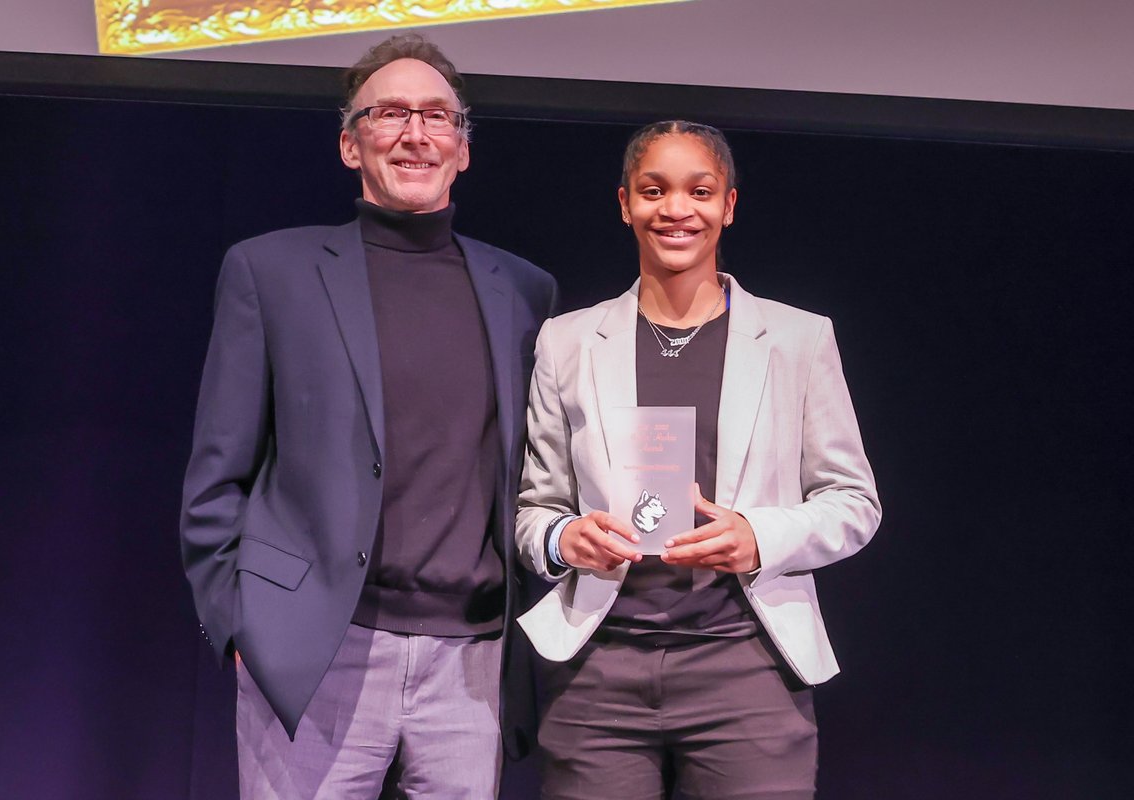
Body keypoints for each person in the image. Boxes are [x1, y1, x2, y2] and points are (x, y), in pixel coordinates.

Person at [180, 34, 557, 799]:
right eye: (390, 114)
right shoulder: (270, 271)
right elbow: (217, 473)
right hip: (316, 648)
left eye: (437, 117)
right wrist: (239, 625)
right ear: (351, 144)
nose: (416, 134)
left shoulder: (525, 291)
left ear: (463, 150)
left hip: (471, 658)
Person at [515, 120, 881, 799]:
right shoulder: (567, 343)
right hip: (600, 669)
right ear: (625, 203)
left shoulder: (798, 340)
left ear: (728, 205)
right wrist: (567, 539)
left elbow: (854, 502)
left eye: (699, 191)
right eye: (654, 190)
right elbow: (534, 508)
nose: (676, 209)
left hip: (747, 665)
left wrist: (755, 535)